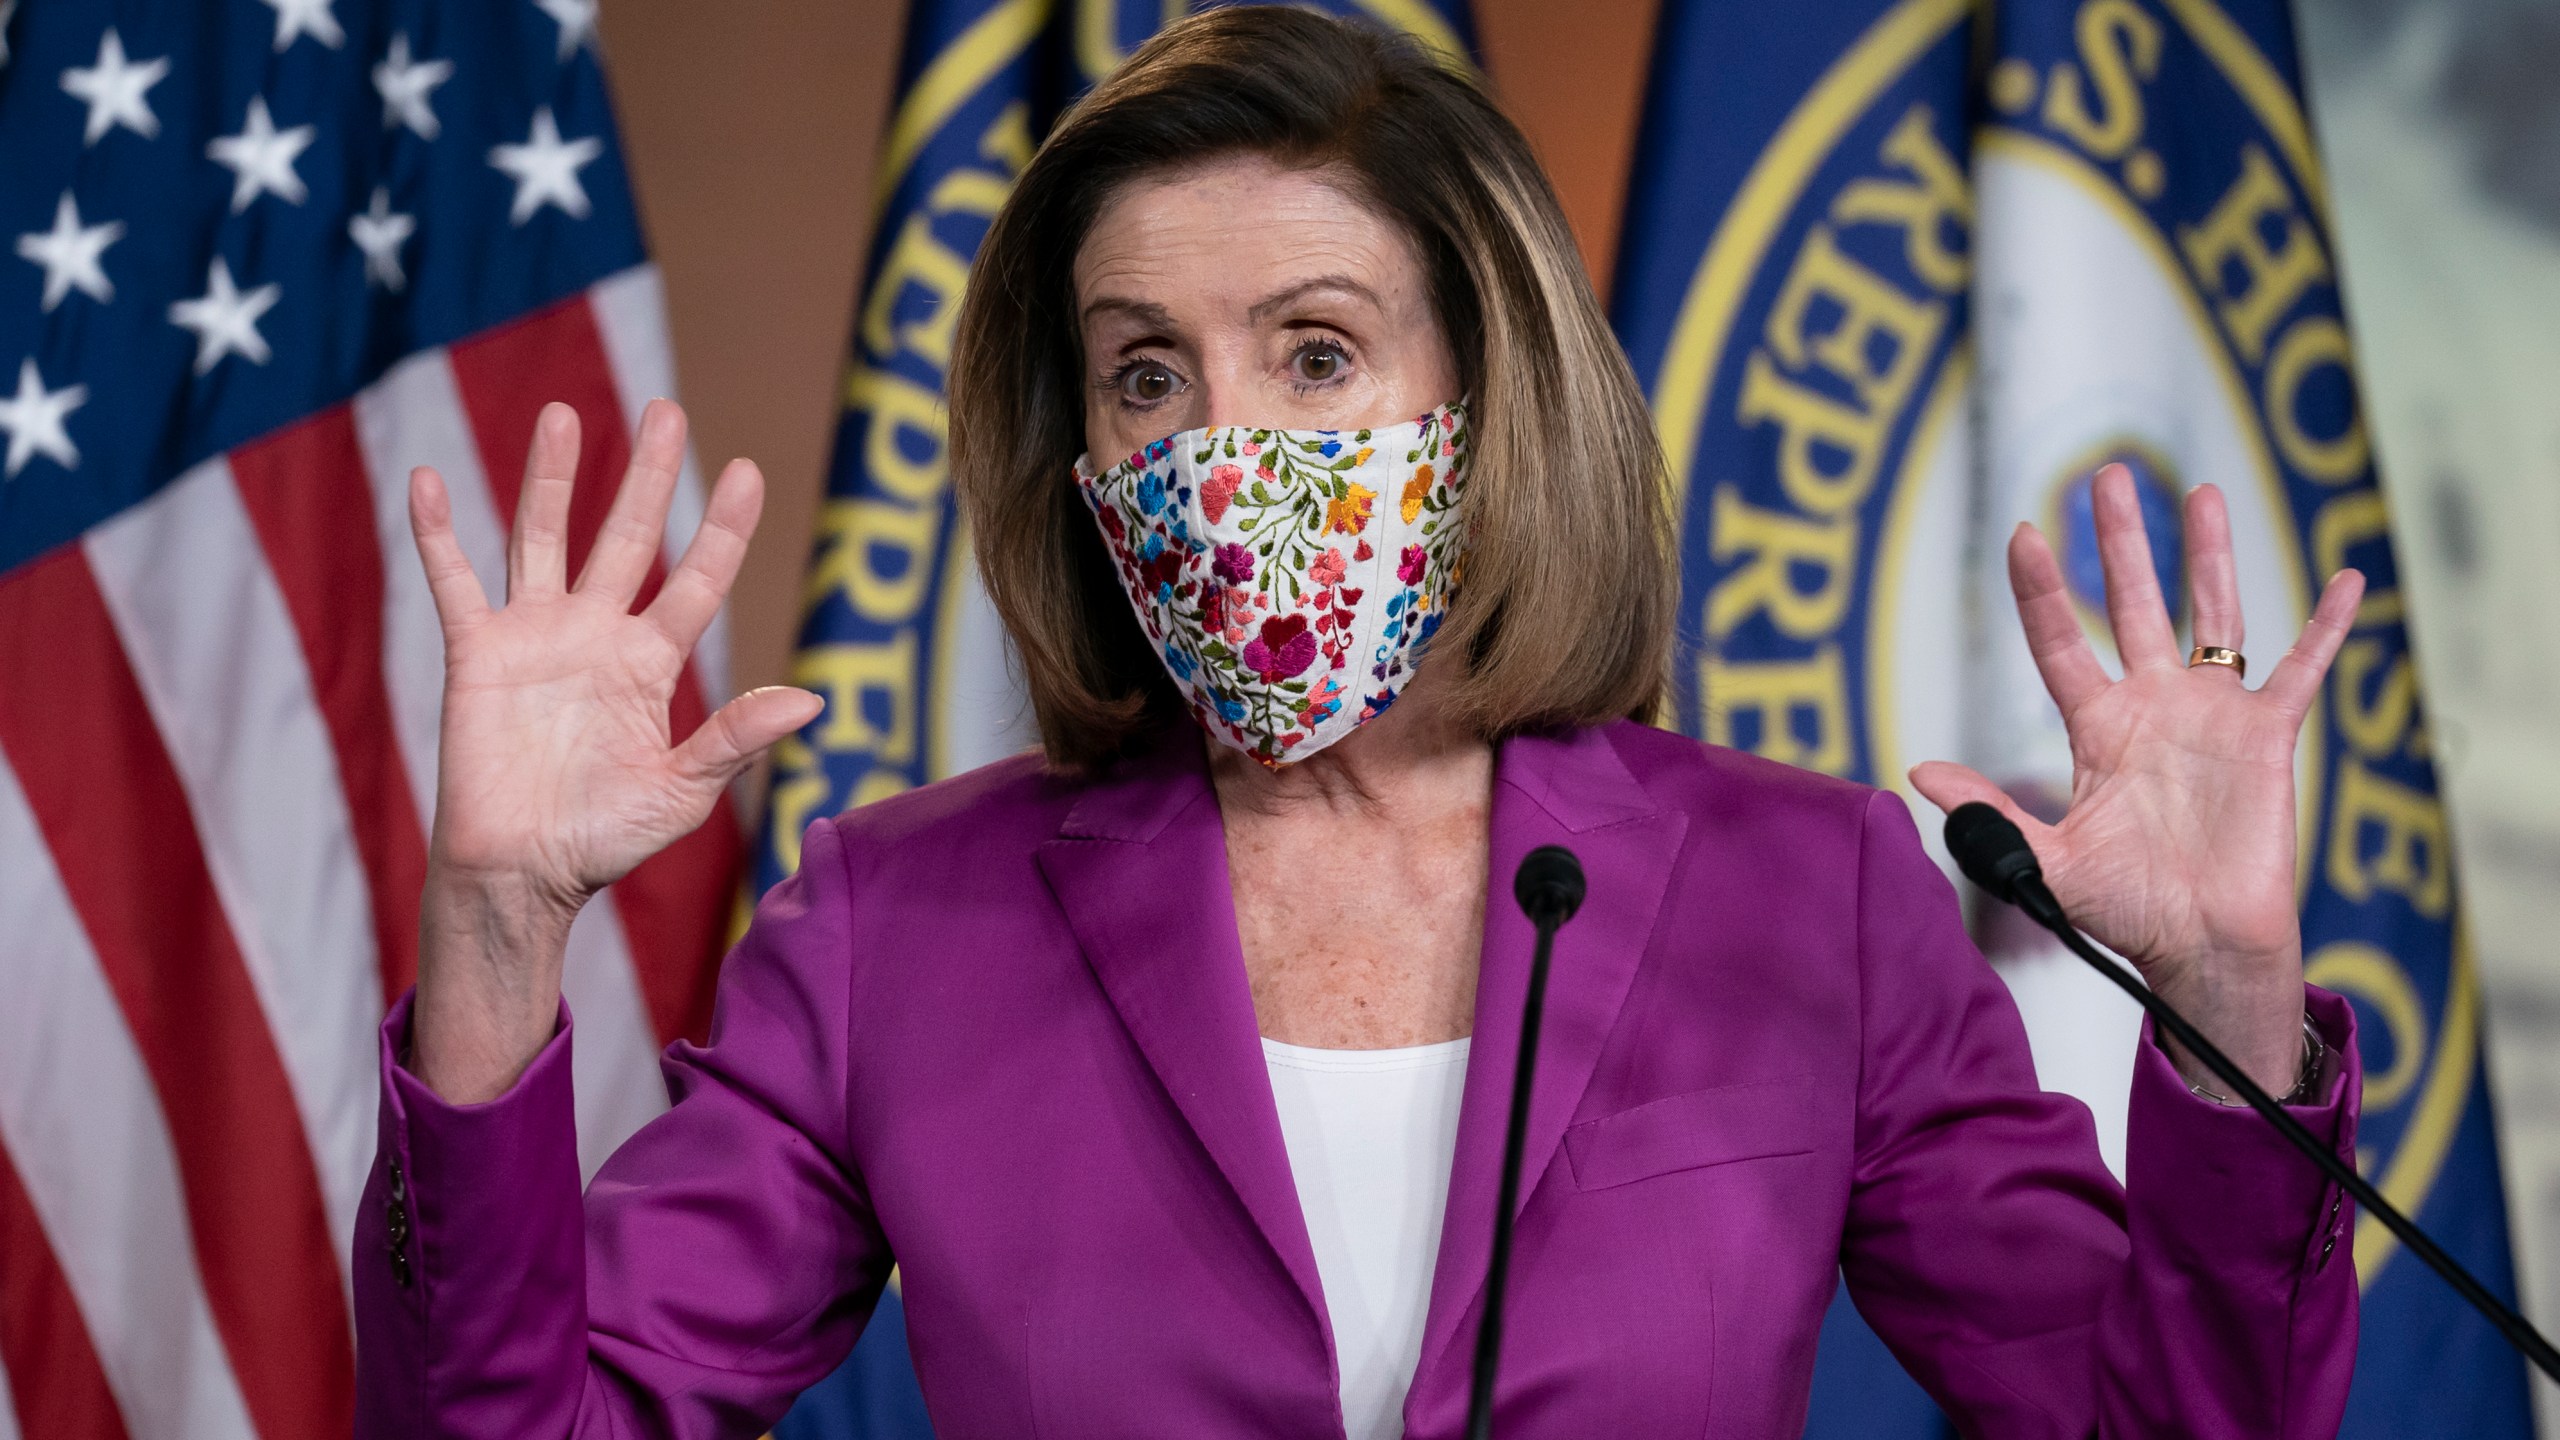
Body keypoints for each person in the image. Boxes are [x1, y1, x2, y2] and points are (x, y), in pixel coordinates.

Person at [358, 8, 2368, 1437]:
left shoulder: (1804, 891)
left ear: (1485, 407)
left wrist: (2226, 1004)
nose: (1221, 446)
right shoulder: (900, 923)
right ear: (1082, 454)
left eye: (1314, 354)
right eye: (1147, 376)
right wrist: (497, 930)